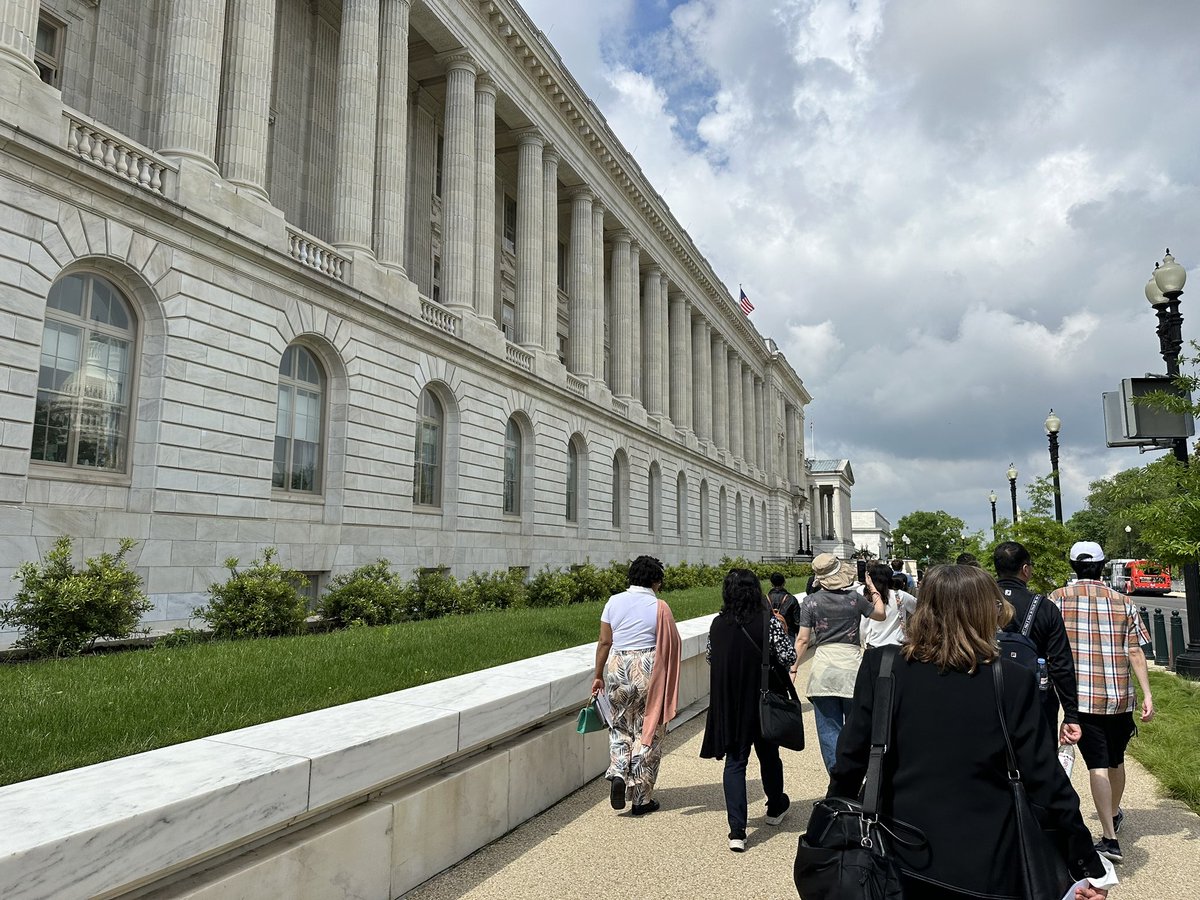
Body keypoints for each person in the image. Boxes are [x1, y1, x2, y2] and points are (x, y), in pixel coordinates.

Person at [828, 565, 1115, 900]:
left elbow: (851, 758)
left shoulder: (883, 666)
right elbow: (1046, 779)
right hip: (987, 855)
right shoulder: (1011, 679)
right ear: (986, 611)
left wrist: (832, 828)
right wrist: (1086, 864)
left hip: (897, 846)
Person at [1051, 541, 1154, 864]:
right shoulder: (1124, 602)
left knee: (1096, 766)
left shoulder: (1057, 599)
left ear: (1072, 564)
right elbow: (1136, 651)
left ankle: (1109, 838)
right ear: (1102, 565)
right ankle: (1113, 812)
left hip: (1081, 697)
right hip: (1120, 696)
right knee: (1115, 760)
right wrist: (1147, 693)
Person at [701, 569, 798, 852]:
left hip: (731, 702)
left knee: (735, 761)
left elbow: (711, 657)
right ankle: (775, 805)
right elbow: (788, 656)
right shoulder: (769, 622)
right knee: (769, 755)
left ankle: (737, 830)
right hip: (762, 698)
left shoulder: (718, 624)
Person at [591, 555, 682, 817]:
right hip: (649, 669)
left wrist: (598, 676)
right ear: (656, 581)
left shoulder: (613, 602)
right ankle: (641, 799)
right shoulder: (659, 606)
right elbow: (671, 641)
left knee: (619, 726)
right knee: (648, 731)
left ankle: (619, 771)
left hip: (618, 666)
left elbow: (604, 642)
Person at [794, 553, 885, 773]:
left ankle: (837, 777)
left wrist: (793, 666)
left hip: (824, 668)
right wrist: (872, 588)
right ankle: (856, 774)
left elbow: (803, 639)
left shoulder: (811, 602)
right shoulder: (855, 599)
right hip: (852, 667)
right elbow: (880, 614)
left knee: (828, 730)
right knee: (856, 728)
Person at [993, 540, 1081, 746]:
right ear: (1025, 569)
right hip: (1034, 700)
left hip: (989, 694)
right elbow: (1061, 664)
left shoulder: (977, 603)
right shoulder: (1044, 607)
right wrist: (1071, 714)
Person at [860, 561, 906, 649]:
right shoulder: (900, 595)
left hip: (874, 643)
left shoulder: (866, 596)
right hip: (897, 643)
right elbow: (917, 606)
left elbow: (864, 624)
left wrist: (862, 639)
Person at [766, 572, 802, 637]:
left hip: (770, 636)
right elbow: (797, 621)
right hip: (788, 634)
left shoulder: (765, 600)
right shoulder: (791, 599)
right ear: (784, 583)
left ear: (771, 584)